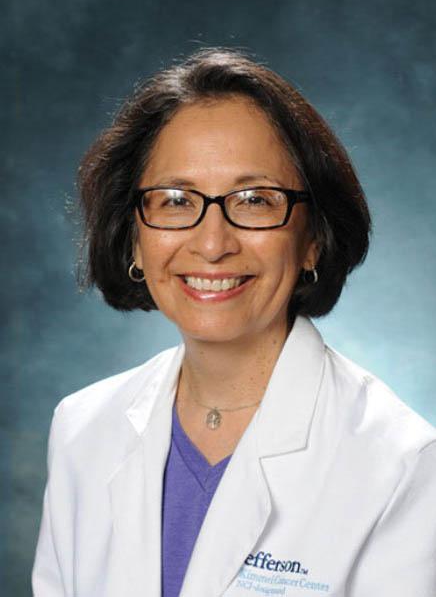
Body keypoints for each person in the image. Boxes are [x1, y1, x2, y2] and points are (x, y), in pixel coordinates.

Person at [32, 48, 436, 597]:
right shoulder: (81, 430)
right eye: (175, 200)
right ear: (134, 235)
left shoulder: (404, 466)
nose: (213, 243)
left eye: (254, 200)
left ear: (313, 238)